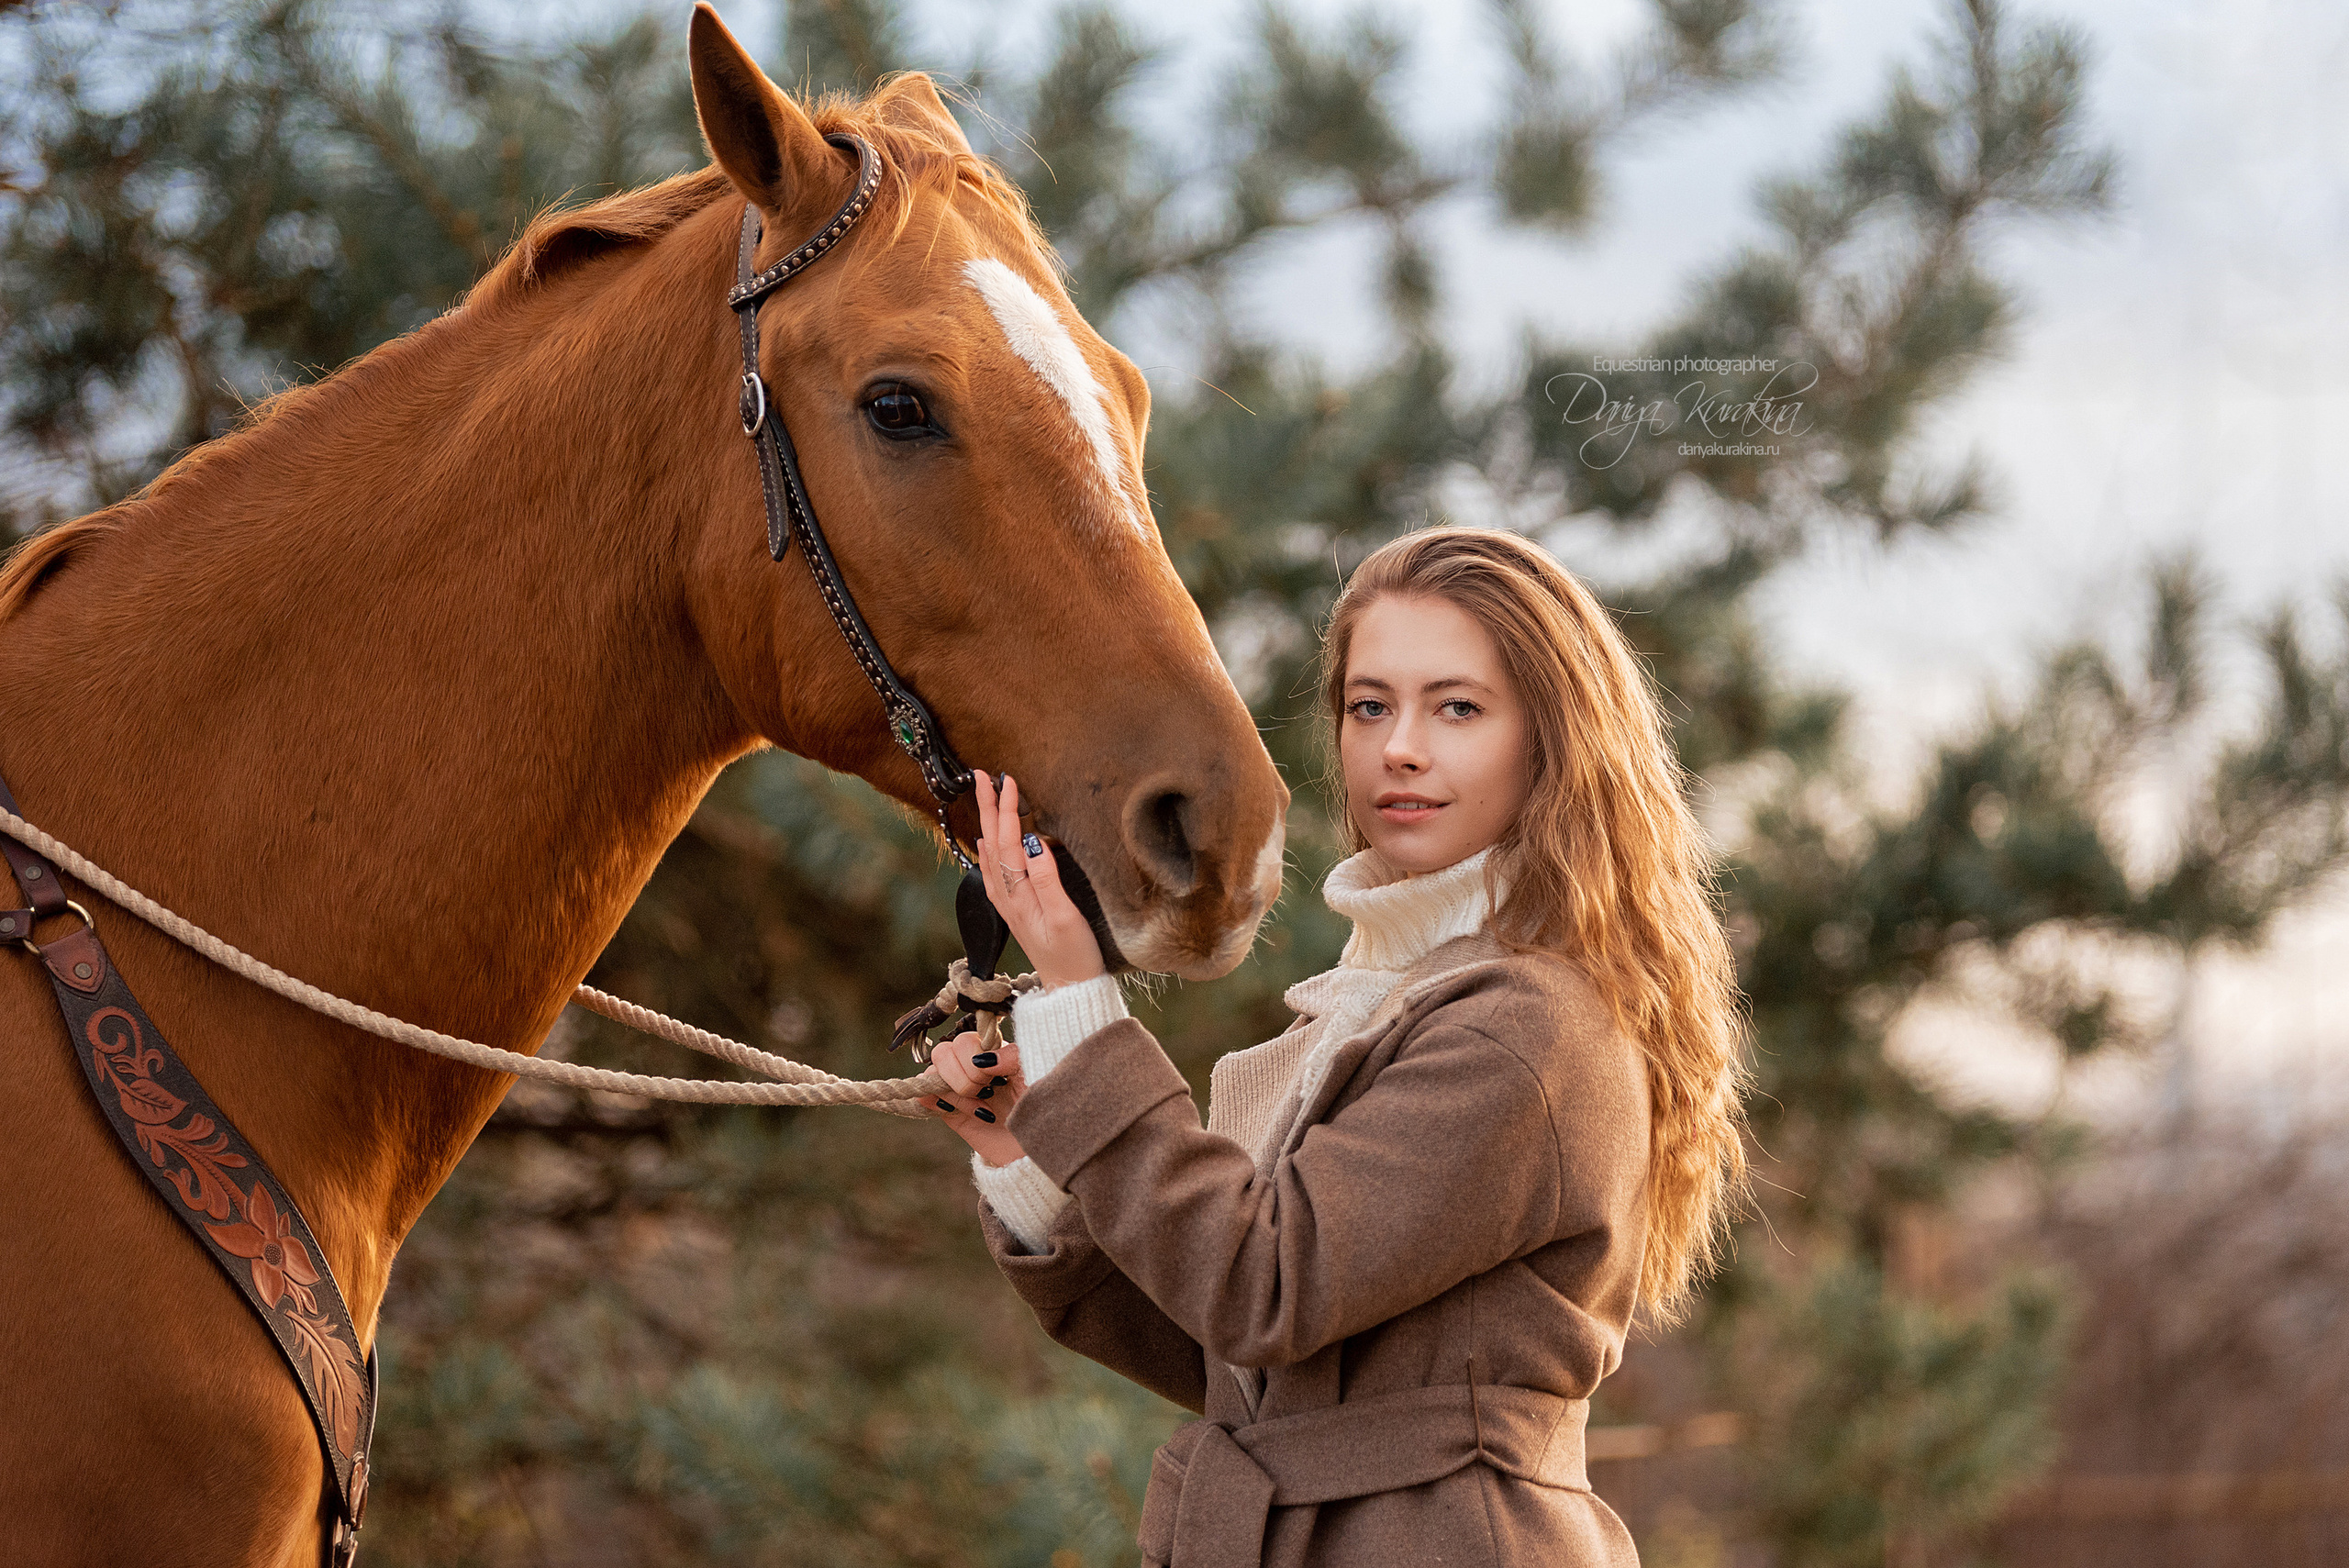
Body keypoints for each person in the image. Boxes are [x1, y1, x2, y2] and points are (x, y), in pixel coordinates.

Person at [928, 527, 1748, 1567]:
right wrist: (1020, 1157)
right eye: (1370, 705)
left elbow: (1261, 1284)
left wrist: (1079, 1001)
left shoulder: (1527, 1025)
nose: (1399, 745)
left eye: (1457, 706)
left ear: (1554, 740)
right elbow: (1236, 1350)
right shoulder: (1369, 1001)